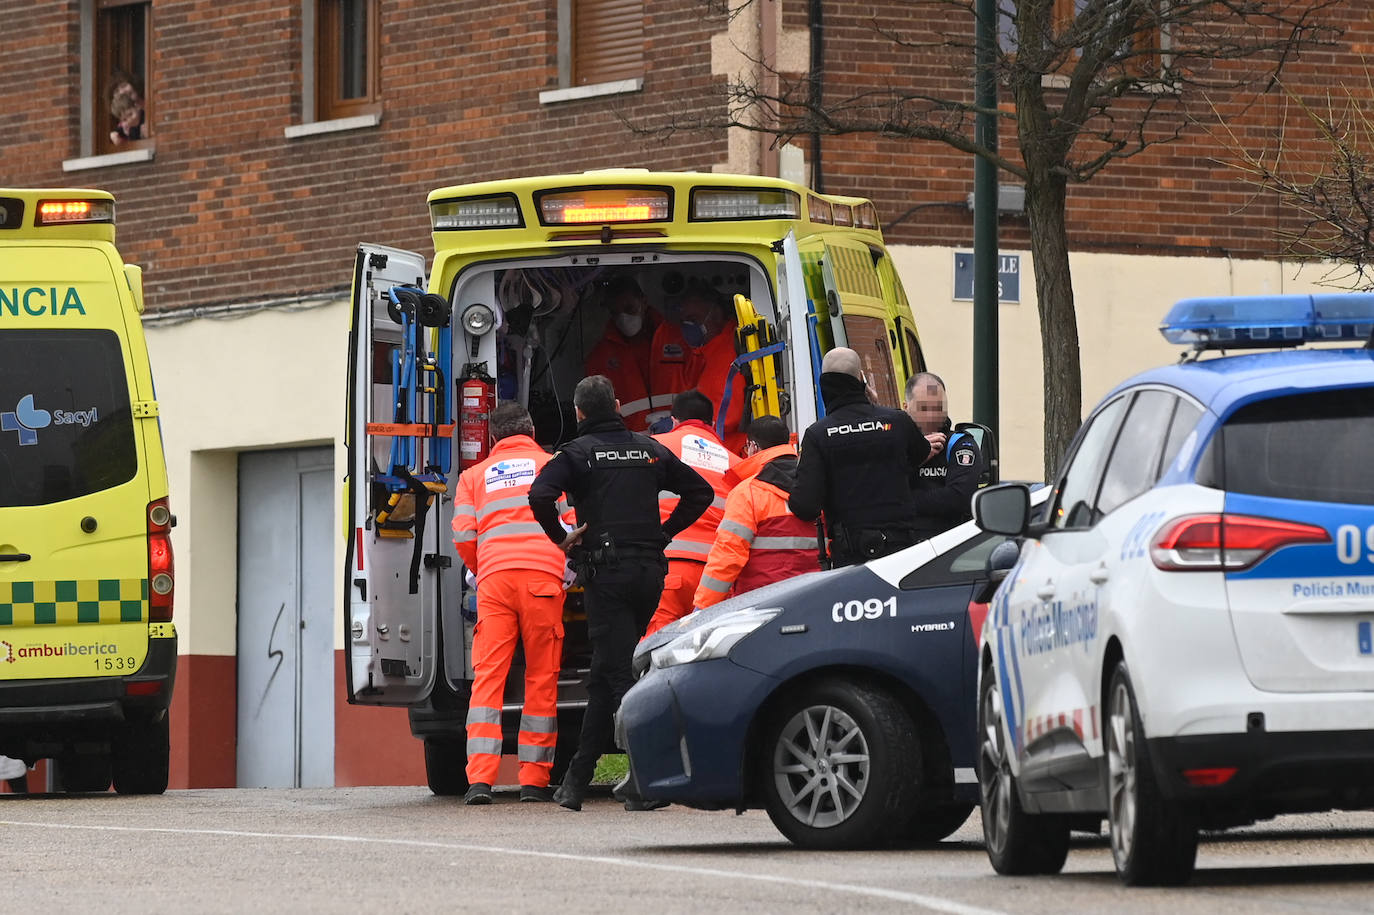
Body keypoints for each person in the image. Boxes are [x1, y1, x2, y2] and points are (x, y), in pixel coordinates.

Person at [527, 375, 713, 811]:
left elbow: (540, 495)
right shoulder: (650, 448)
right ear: (614, 403)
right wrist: (664, 533)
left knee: (618, 676)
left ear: (578, 412)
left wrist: (562, 537)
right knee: (606, 673)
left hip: (606, 575)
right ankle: (576, 781)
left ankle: (649, 779)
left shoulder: (575, 453)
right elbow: (699, 492)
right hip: (649, 573)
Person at [451, 402, 569, 805]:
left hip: (495, 582)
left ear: (492, 438)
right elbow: (570, 526)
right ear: (532, 429)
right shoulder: (555, 465)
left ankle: (480, 780)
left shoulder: (472, 476)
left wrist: (482, 567)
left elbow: (464, 535)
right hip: (542, 580)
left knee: (488, 679)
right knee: (540, 677)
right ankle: (534, 781)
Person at [788, 347, 932, 567]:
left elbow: (805, 506)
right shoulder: (897, 421)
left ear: (823, 385)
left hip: (851, 558)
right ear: (861, 380)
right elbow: (920, 454)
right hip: (902, 553)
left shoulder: (818, 435)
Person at [694, 415, 819, 608]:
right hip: (815, 595)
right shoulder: (816, 486)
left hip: (760, 604)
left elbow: (727, 555)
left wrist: (702, 608)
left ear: (752, 446)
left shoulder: (748, 492)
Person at [644, 389, 739, 636]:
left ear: (674, 421)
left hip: (666, 567)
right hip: (717, 576)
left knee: (656, 654)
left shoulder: (653, 450)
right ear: (713, 423)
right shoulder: (738, 465)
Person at [649, 281, 748, 452]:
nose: (688, 326)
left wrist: (681, 425)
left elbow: (727, 418)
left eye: (693, 319)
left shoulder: (729, 355)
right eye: (684, 321)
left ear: (716, 315)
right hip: (712, 446)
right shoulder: (707, 351)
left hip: (726, 450)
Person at [904, 372, 984, 540]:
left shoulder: (960, 443)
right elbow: (879, 488)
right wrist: (916, 457)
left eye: (938, 407)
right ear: (906, 408)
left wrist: (903, 502)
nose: (932, 416)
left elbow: (959, 498)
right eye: (924, 408)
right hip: (900, 547)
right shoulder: (894, 443)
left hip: (946, 546)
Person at [584, 276, 657, 432]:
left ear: (644, 302)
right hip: (626, 445)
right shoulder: (600, 357)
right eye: (616, 312)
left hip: (675, 438)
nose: (623, 317)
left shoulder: (676, 343)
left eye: (629, 308)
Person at [109, 76, 145, 146]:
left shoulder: (146, 116)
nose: (129, 119)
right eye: (125, 119)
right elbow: (118, 132)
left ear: (137, 107)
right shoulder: (127, 126)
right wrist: (113, 135)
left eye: (130, 114)